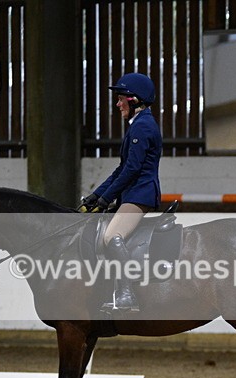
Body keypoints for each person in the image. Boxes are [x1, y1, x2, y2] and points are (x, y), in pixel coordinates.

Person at [81, 73, 162, 312]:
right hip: (132, 192)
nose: (117, 105)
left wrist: (106, 200)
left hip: (140, 194)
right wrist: (95, 197)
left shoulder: (143, 126)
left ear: (134, 99)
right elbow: (120, 170)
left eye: (120, 99)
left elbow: (132, 169)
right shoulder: (137, 125)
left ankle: (128, 295)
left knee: (111, 237)